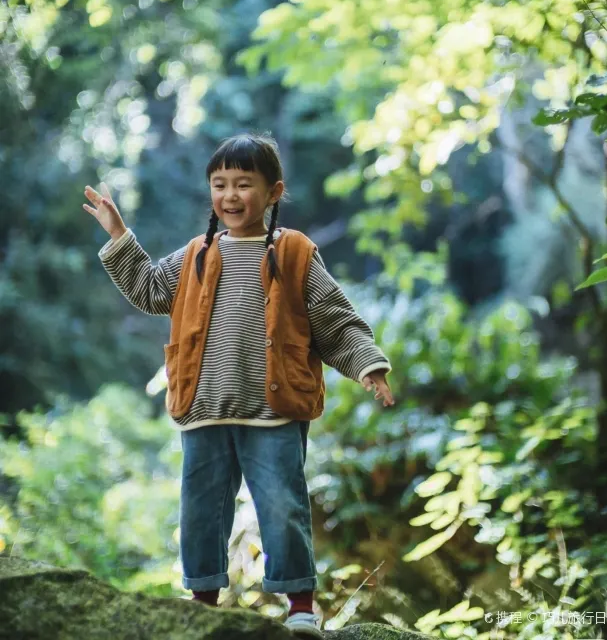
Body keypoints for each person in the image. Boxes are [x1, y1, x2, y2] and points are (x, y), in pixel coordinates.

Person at [82, 132, 394, 638]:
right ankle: (202, 600)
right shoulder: (196, 255)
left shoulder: (294, 253)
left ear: (273, 192)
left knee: (283, 505)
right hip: (204, 410)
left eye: (243, 184)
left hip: (273, 413)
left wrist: (367, 365)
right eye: (220, 183)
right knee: (201, 509)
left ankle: (299, 606)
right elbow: (149, 289)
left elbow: (334, 321)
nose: (230, 195)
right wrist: (118, 233)